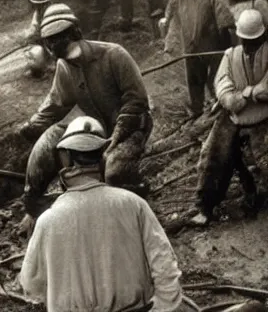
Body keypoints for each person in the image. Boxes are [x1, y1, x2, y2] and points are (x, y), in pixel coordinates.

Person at [19, 116, 183, 312]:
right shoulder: (134, 204)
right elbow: (165, 267)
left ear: (65, 159)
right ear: (103, 157)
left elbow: (31, 286)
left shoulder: (47, 221)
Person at [18, 3, 152, 220]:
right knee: (48, 142)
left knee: (113, 170)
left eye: (59, 36)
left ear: (74, 32)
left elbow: (136, 102)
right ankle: (38, 207)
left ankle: (137, 191)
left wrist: (114, 140)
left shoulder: (114, 55)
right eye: (49, 39)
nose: (53, 44)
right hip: (98, 127)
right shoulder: (64, 66)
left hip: (132, 125)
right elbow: (56, 104)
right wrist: (32, 126)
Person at [190, 9, 268, 226]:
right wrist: (239, 96)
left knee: (262, 160)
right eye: (246, 40)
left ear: (263, 36)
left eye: (255, 41)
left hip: (263, 117)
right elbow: (223, 88)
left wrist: (249, 93)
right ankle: (205, 207)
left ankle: (256, 196)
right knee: (212, 156)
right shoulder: (230, 55)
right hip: (234, 115)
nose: (250, 45)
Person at [161, 0, 236, 117]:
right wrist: (168, 39)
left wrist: (228, 45)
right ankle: (198, 111)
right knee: (196, 80)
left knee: (215, 79)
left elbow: (226, 23)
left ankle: (217, 108)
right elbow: (168, 19)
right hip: (193, 47)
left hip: (214, 45)